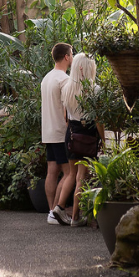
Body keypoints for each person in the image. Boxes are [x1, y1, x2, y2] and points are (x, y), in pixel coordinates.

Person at [58, 52, 99, 227]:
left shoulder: (66, 88)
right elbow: (98, 119)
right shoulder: (95, 89)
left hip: (72, 133)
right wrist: (103, 139)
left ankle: (60, 208)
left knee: (74, 175)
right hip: (88, 133)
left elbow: (65, 116)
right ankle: (76, 216)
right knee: (82, 176)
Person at [41, 42, 75, 225]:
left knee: (52, 171)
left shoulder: (47, 78)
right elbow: (66, 110)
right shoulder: (64, 79)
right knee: (69, 173)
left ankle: (50, 210)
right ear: (67, 57)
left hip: (48, 130)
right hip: (61, 131)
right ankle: (54, 212)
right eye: (71, 54)